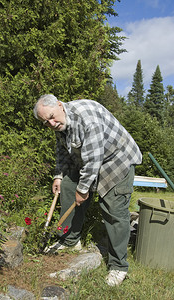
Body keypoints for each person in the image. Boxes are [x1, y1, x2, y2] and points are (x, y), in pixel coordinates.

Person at [33, 94, 142, 286]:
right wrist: (58, 175)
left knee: (113, 210)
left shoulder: (86, 117)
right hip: (90, 162)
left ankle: (119, 266)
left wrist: (83, 190)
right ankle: (70, 240)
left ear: (60, 105)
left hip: (117, 161)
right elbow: (62, 151)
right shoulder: (60, 124)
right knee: (67, 185)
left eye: (51, 116)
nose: (51, 123)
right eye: (46, 122)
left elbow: (94, 160)